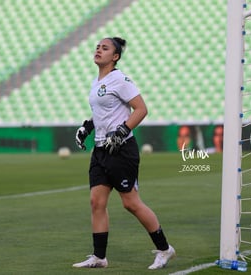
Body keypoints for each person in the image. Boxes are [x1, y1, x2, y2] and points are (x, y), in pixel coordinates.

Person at [73, 37, 175, 270]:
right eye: (98, 46)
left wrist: (122, 130)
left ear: (115, 57)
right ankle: (99, 257)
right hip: (100, 150)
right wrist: (86, 128)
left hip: (121, 150)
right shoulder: (97, 81)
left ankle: (165, 249)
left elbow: (141, 109)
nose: (99, 49)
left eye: (105, 48)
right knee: (96, 202)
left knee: (131, 203)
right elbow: (102, 114)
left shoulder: (119, 79)